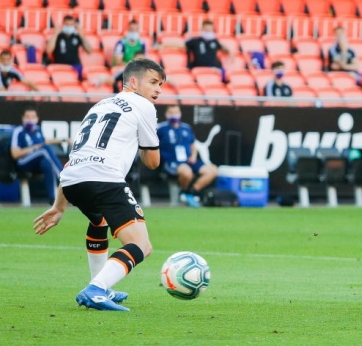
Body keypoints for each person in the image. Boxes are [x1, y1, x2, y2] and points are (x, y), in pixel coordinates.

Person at [32, 58, 165, 312]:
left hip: (72, 181)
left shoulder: (99, 105)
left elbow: (75, 159)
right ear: (133, 82)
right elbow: (152, 162)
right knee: (141, 246)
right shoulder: (144, 106)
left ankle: (100, 285)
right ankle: (96, 289)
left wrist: (59, 206)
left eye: (160, 84)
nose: (158, 89)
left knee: (99, 221)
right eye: (153, 82)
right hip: (104, 179)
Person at [157, 105, 218, 208]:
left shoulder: (186, 127)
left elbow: (192, 145)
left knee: (212, 170)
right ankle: (184, 191)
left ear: (180, 114)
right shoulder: (161, 128)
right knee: (186, 172)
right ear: (166, 114)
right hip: (173, 162)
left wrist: (193, 156)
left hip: (188, 160)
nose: (174, 115)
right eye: (171, 113)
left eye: (176, 112)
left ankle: (191, 192)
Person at [10, 106, 66, 204]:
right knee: (44, 149)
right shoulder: (18, 131)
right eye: (27, 117)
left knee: (46, 163)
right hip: (23, 162)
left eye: (32, 117)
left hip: (38, 163)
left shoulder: (38, 130)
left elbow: (45, 141)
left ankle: (53, 199)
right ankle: (64, 179)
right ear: (22, 118)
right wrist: (33, 148)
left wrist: (64, 139)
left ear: (37, 119)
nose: (30, 120)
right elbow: (15, 154)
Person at [45, 15, 93, 80]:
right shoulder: (58, 37)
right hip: (60, 67)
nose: (69, 27)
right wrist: (55, 34)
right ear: (63, 25)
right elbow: (48, 50)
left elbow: (89, 50)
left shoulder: (77, 37)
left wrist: (82, 36)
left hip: (75, 66)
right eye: (67, 25)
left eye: (71, 25)